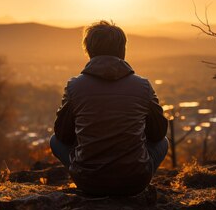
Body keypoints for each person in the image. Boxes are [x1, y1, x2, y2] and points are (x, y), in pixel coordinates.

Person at [50, 20, 169, 196]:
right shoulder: (143, 86)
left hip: (89, 183)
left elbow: (63, 136)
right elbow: (158, 134)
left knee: (54, 141)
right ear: (123, 50)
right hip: (135, 183)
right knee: (163, 142)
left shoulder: (75, 86)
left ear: (89, 51)